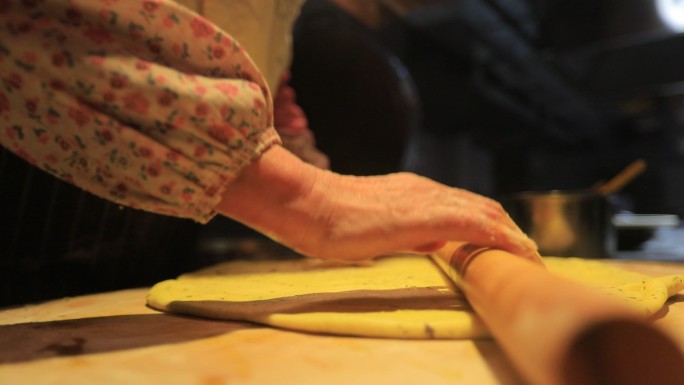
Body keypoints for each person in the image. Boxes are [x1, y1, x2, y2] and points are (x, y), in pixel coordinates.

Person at [0, 0, 539, 262]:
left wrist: (304, 164)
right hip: (31, 196)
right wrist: (310, 200)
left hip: (162, 237)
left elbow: (262, 70)